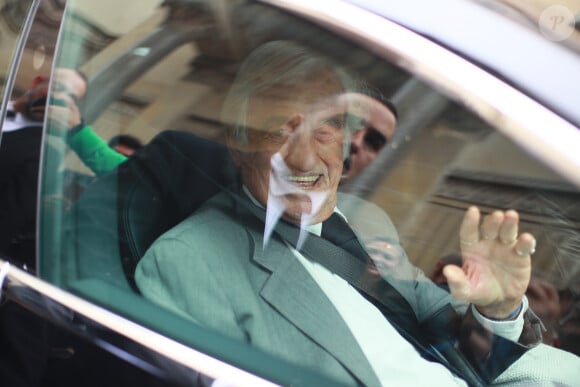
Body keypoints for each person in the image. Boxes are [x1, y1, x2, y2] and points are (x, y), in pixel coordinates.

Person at [135, 40, 579, 386]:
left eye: (325, 128)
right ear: (237, 144)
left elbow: (457, 340)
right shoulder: (187, 261)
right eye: (277, 130)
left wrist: (497, 312)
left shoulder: (367, 219)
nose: (305, 160)